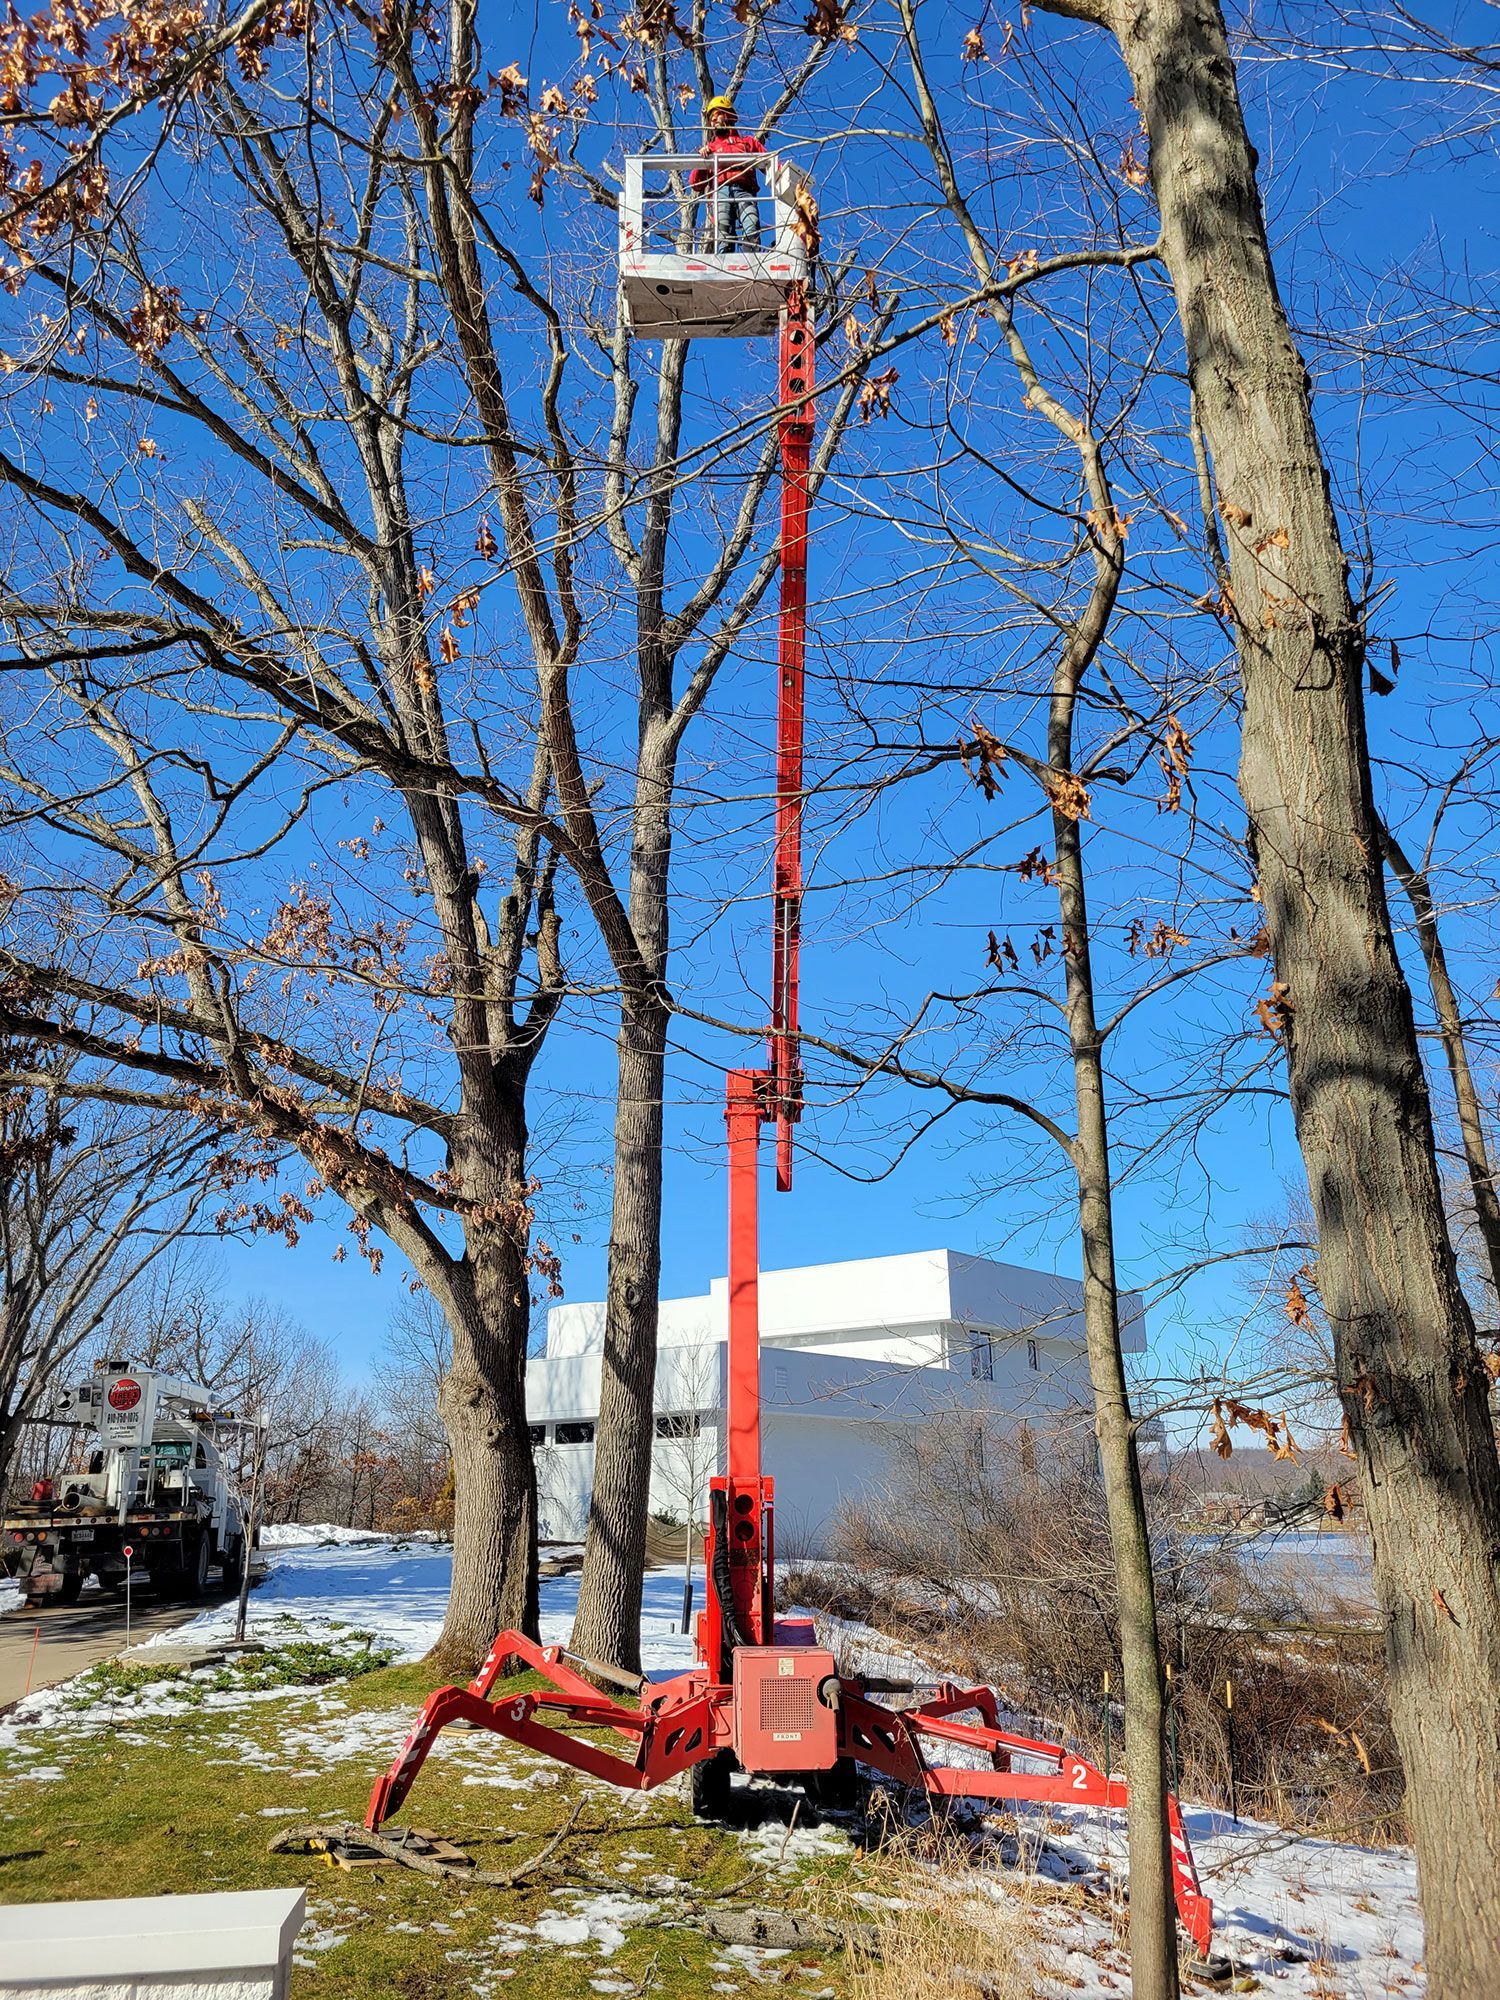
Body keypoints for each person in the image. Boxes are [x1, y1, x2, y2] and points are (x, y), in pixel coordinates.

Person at [690, 96, 766, 252]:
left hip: (745, 190)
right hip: (721, 191)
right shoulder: (710, 148)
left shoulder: (748, 143)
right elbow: (695, 184)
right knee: (724, 234)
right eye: (711, 118)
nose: (714, 120)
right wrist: (703, 161)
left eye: (717, 114)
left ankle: (752, 259)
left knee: (752, 226)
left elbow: (769, 163)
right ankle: (724, 260)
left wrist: (787, 178)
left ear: (728, 115)